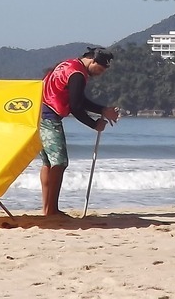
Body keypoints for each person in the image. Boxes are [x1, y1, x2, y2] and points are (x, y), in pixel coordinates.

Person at [38, 46, 121, 217]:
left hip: (37, 115)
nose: (101, 73)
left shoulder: (67, 64)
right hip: (49, 118)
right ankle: (52, 210)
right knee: (59, 163)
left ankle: (47, 208)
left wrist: (103, 110)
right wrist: (94, 124)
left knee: (48, 163)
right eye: (101, 68)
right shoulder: (77, 74)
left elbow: (78, 100)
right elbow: (76, 106)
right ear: (93, 61)